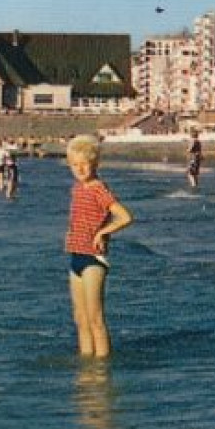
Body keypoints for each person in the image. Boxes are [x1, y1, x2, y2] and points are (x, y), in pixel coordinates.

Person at [63, 135, 133, 359]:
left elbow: (124, 217)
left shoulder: (98, 188)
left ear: (94, 163)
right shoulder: (77, 189)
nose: (80, 169)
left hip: (94, 259)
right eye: (75, 164)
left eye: (85, 164)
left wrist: (103, 232)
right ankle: (87, 366)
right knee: (80, 319)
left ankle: (102, 370)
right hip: (76, 256)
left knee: (95, 319)